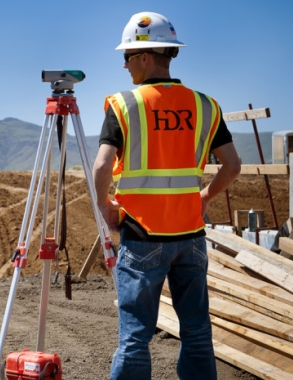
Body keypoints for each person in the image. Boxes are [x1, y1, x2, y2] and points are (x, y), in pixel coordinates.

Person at [92, 12, 241, 380]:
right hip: (190, 237)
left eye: (127, 57)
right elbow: (233, 166)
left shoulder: (124, 104)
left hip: (143, 237)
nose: (124, 65)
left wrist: (104, 205)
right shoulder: (206, 106)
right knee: (197, 333)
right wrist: (204, 197)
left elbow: (100, 167)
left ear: (144, 56)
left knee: (135, 337)